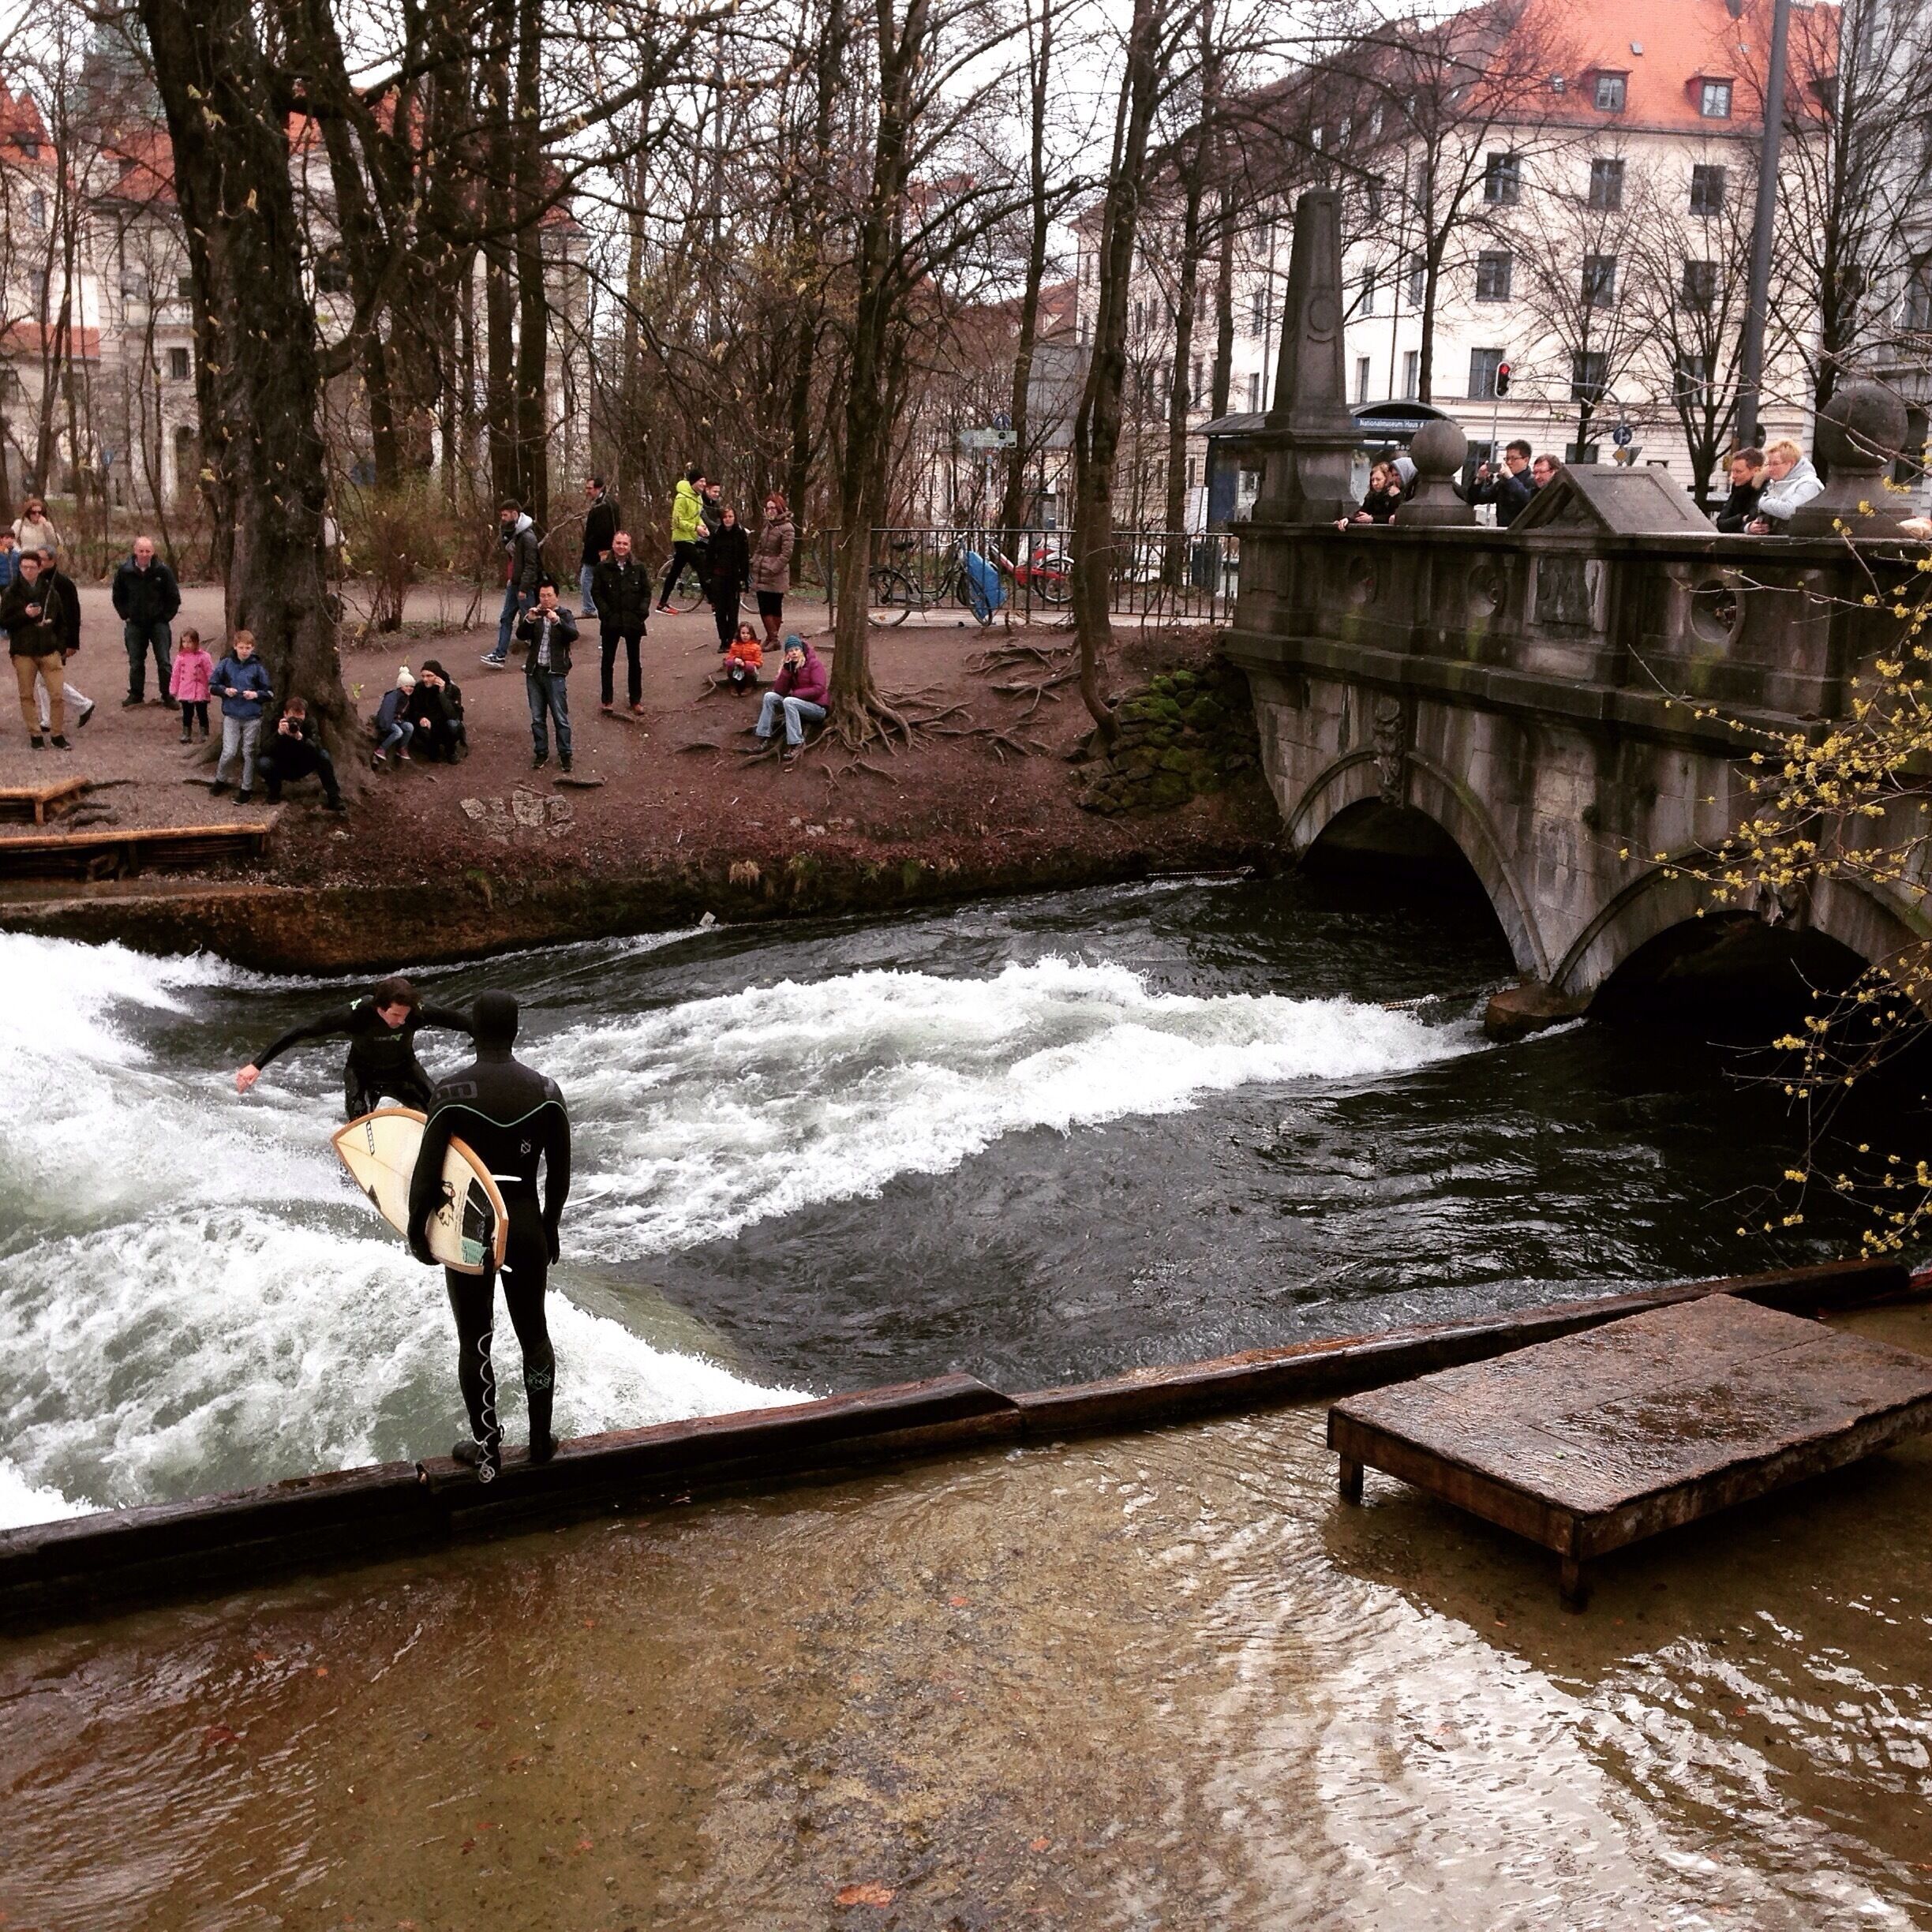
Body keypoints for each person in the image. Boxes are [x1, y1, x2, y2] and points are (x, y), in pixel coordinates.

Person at [406, 990, 570, 1481]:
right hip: (524, 1225)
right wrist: (550, 1228)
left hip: (471, 1230)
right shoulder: (547, 1092)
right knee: (534, 1334)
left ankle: (487, 1449)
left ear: (473, 1030)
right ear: (516, 1030)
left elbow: (427, 1176)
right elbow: (559, 1175)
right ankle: (540, 1442)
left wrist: (419, 1234)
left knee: (476, 1339)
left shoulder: (450, 1093)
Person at [236, 974, 474, 1118]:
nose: (402, 1021)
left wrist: (482, 1039)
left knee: (439, 1111)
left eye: (406, 1015)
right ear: (380, 1008)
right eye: (396, 1015)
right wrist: (257, 1065)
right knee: (359, 1123)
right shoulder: (356, 1015)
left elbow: (460, 1020)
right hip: (363, 1076)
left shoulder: (415, 1013)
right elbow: (302, 1030)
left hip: (404, 1072)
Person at [2, 550, 68, 748]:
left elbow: (61, 622)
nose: (28, 571)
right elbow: (4, 621)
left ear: (40, 568)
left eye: (32, 567)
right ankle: (35, 735)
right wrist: (25, 614)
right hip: (23, 651)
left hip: (49, 649)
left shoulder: (49, 590)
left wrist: (60, 647)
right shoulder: (11, 592)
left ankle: (57, 734)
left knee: (57, 694)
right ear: (20, 568)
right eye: (24, 567)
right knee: (26, 695)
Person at [112, 534, 181, 706]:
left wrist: (165, 617)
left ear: (153, 552)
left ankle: (168, 694)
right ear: (135, 551)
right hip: (135, 623)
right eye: (141, 551)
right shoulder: (124, 571)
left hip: (158, 623)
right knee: (135, 661)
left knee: (164, 661)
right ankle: (136, 694)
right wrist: (125, 615)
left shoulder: (163, 571)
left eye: (147, 551)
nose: (144, 554)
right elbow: (118, 596)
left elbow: (173, 597)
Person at [517, 578, 577, 773]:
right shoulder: (534, 614)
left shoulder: (565, 614)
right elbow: (520, 635)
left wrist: (556, 621)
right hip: (535, 672)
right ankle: (541, 752)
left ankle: (565, 754)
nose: (546, 599)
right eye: (542, 595)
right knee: (537, 717)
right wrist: (529, 619)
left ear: (556, 596)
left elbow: (573, 635)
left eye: (549, 595)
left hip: (555, 673)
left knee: (560, 717)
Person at [590, 529, 650, 714]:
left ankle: (636, 700)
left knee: (635, 662)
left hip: (633, 620)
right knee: (608, 661)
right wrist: (605, 613)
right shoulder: (602, 568)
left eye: (625, 544)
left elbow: (646, 593)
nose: (621, 547)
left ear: (630, 546)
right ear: (613, 544)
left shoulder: (638, 567)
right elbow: (596, 592)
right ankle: (607, 700)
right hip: (611, 621)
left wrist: (642, 613)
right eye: (618, 543)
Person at [209, 630, 273, 801]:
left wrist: (256, 695)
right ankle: (220, 779)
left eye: (248, 648)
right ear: (235, 647)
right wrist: (225, 691)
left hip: (252, 716)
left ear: (253, 648)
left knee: (249, 752)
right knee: (229, 751)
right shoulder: (226, 664)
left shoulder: (258, 668)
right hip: (232, 714)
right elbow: (213, 685)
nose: (245, 651)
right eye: (242, 647)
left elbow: (269, 693)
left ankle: (246, 788)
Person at [34, 545, 91, 732]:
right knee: (43, 678)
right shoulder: (35, 580)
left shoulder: (64, 584)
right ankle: (47, 718)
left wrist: (73, 642)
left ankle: (83, 704)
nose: (38, 563)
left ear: (52, 561)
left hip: (58, 638)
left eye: (42, 559)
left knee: (47, 677)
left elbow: (74, 614)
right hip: (40, 637)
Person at [483, 501, 543, 667]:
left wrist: (524, 587)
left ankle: (539, 657)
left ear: (515, 514)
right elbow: (514, 561)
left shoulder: (528, 537)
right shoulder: (511, 534)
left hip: (524, 587)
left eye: (505, 515)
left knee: (530, 622)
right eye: (501, 515)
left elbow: (531, 565)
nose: (502, 519)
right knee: (506, 618)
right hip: (514, 584)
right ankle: (499, 654)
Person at [262, 697, 346, 812]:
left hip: (303, 763)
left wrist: (300, 738)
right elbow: (264, 749)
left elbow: (317, 747)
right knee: (264, 763)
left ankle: (334, 797)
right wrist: (279, 733)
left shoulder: (310, 723)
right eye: (292, 718)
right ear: (285, 714)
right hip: (281, 764)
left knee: (324, 756)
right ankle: (274, 791)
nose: (295, 722)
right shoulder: (274, 722)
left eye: (299, 718)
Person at [754, 632, 828, 759]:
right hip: (796, 704)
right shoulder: (790, 666)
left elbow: (819, 689)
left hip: (817, 708)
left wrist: (796, 695)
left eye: (796, 650)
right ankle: (764, 737)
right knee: (769, 697)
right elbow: (779, 691)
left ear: (801, 651)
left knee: (789, 701)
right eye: (790, 651)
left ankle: (796, 743)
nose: (794, 653)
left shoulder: (814, 664)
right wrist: (786, 671)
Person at [751, 490, 796, 648]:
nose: (770, 511)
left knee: (774, 606)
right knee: (764, 606)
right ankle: (772, 637)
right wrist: (754, 561)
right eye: (768, 508)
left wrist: (774, 568)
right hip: (761, 570)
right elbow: (759, 547)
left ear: (780, 509)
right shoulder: (767, 526)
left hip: (776, 573)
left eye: (773, 508)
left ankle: (773, 638)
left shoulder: (787, 528)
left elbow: (786, 553)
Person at [1749, 440, 1823, 534]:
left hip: (1799, 545)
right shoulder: (1774, 484)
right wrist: (1751, 527)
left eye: (1775, 464)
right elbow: (1751, 515)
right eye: (1769, 464)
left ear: (1791, 463)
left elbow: (1790, 511)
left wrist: (1763, 502)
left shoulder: (1809, 484)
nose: (1770, 469)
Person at [658, 466, 705, 611]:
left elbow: (697, 518)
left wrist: (703, 527)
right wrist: (695, 528)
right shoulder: (681, 497)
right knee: (701, 566)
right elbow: (677, 521)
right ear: (694, 482)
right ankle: (715, 602)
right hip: (681, 539)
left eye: (705, 481)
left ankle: (662, 602)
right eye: (701, 481)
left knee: (675, 571)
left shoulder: (698, 498)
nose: (704, 484)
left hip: (691, 538)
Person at [709, 504, 751, 650]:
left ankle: (733, 639)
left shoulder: (740, 534)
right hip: (718, 577)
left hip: (734, 576)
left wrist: (744, 579)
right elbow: (709, 556)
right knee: (720, 611)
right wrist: (709, 576)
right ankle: (723, 640)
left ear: (735, 518)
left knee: (733, 611)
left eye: (730, 517)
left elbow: (744, 557)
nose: (728, 520)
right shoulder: (716, 533)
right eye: (725, 517)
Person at [406, 660, 466, 762]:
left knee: (453, 725)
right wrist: (421, 718)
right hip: (430, 723)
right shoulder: (419, 689)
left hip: (445, 723)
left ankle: (451, 751)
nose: (425, 679)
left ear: (438, 676)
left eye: (429, 676)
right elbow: (413, 710)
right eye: (423, 676)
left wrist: (442, 694)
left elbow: (453, 714)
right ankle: (433, 750)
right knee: (423, 728)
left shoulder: (452, 689)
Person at [578, 475, 620, 617]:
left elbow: (604, 530)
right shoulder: (609, 503)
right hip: (605, 548)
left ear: (598, 488)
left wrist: (602, 550)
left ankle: (589, 608)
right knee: (603, 579)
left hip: (597, 551)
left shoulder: (602, 506)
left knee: (586, 579)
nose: (587, 491)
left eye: (590, 488)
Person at [1470, 440, 1534, 527]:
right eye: (1507, 458)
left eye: (1514, 459)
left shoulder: (1532, 481)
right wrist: (1479, 479)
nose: (1509, 462)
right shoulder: (1503, 483)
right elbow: (1476, 499)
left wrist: (1510, 478)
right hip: (1502, 534)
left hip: (1523, 535)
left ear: (1526, 460)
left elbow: (1527, 500)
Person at [169, 627, 214, 741]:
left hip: (200, 689)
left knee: (202, 712)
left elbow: (210, 671)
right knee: (187, 713)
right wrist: (173, 690)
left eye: (189, 642)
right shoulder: (180, 658)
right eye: (184, 641)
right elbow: (176, 675)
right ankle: (186, 732)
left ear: (196, 641)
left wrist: (213, 685)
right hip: (185, 689)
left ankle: (204, 732)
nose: (187, 644)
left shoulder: (204, 657)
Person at [1336, 461, 1404, 529]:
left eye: (1378, 480)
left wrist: (1372, 518)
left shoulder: (1395, 495)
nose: (1375, 483)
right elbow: (1362, 512)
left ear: (1387, 480)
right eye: (1372, 480)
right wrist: (1347, 519)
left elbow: (1395, 516)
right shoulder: (1372, 496)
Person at [1716, 447, 1767, 532]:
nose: (1733, 476)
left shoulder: (1764, 489)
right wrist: (1742, 518)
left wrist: (1740, 523)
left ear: (1756, 471)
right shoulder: (1737, 488)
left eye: (1738, 471)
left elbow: (1754, 518)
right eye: (1733, 471)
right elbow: (1721, 524)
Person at [373, 666, 416, 768]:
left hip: (398, 720)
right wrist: (385, 724)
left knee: (409, 727)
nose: (409, 688)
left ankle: (401, 748)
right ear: (401, 686)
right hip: (389, 721)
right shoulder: (393, 696)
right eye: (407, 686)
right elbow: (387, 711)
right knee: (398, 732)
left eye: (411, 686)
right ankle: (381, 749)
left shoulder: (407, 698)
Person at [13, 495, 58, 560]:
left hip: (41, 560)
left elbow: (53, 543)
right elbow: (12, 540)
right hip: (25, 558)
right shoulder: (20, 524)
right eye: (33, 512)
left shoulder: (47, 525)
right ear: (28, 513)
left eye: (39, 512)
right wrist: (20, 552)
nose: (37, 515)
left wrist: (46, 526)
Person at [723, 621, 763, 691]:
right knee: (730, 663)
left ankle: (749, 687)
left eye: (748, 633)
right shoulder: (734, 645)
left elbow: (759, 663)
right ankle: (733, 686)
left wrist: (745, 664)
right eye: (743, 633)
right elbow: (728, 658)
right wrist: (735, 659)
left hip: (749, 672)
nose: (745, 635)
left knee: (749, 666)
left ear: (752, 635)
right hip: (737, 671)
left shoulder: (756, 647)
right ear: (739, 634)